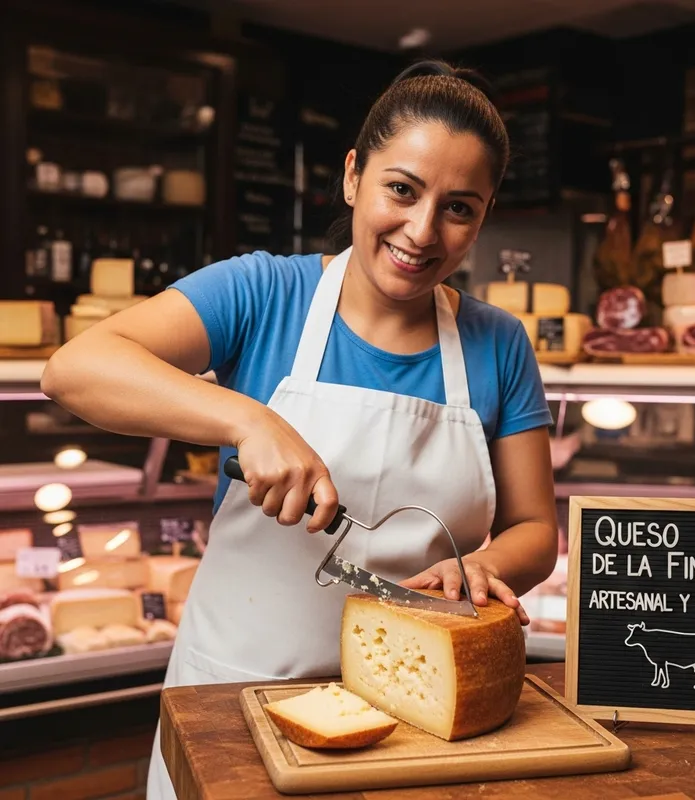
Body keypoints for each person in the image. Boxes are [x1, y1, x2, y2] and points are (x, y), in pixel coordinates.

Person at [41, 58, 559, 799]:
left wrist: (486, 568)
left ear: (483, 216)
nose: (422, 230)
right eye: (402, 190)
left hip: (417, 725)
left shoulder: (498, 343)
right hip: (234, 702)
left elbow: (536, 526)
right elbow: (75, 369)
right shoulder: (261, 293)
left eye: (459, 207)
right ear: (353, 175)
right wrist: (248, 419)